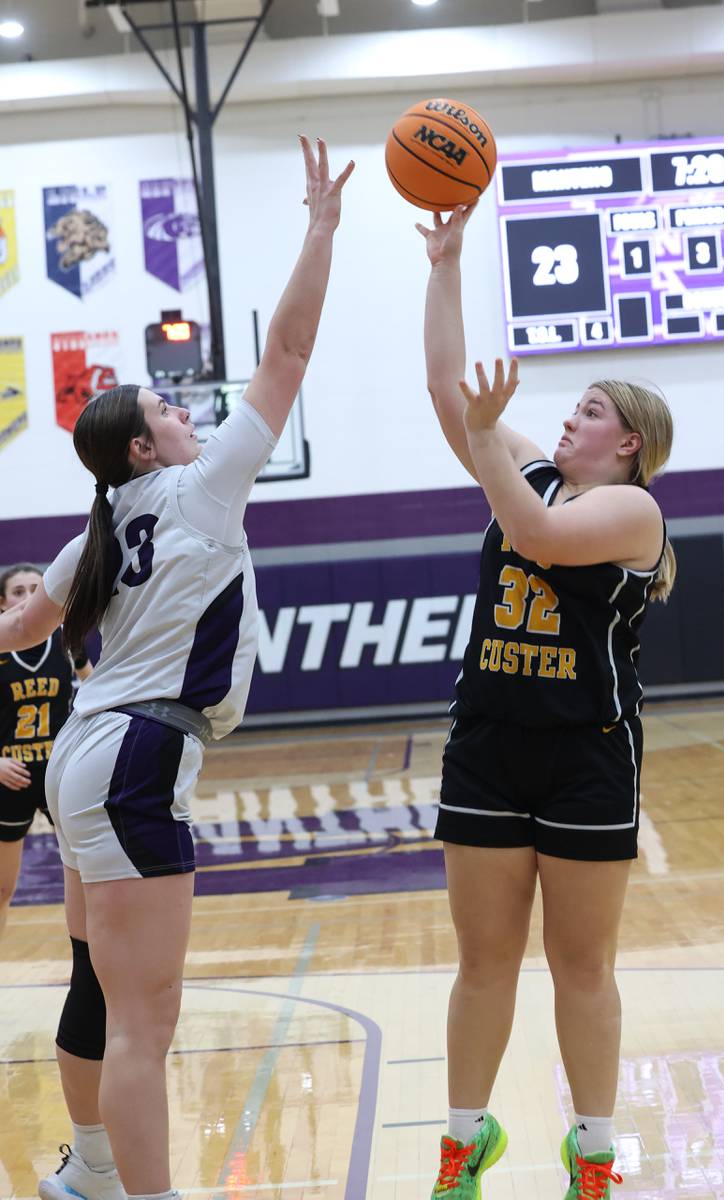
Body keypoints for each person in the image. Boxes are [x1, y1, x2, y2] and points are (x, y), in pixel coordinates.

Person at [0, 136, 353, 1200]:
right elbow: (287, 352)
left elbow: (19, 638)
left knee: (112, 999)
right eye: (169, 410)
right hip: (139, 749)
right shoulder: (198, 495)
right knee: (147, 1023)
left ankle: (93, 1175)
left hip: (88, 753)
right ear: (145, 450)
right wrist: (320, 227)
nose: (188, 411)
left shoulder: (94, 531)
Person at [416, 204, 676, 1200]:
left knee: (580, 966)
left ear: (627, 446)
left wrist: (484, 439)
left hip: (585, 755)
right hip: (486, 743)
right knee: (482, 962)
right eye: (567, 410)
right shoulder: (521, 466)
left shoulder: (632, 511)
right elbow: (447, 388)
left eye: (587, 414)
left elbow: (531, 535)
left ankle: (593, 1153)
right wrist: (445, 268)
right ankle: (459, 1146)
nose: (567, 420)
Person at [0, 563, 92, 935]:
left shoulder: (67, 641)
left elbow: (99, 690)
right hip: (11, 778)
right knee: (3, 888)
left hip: (61, 776)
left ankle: (94, 970)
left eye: (34, 590)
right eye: (17, 592)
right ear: (2, 603)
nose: (25, 599)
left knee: (89, 880)